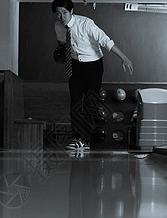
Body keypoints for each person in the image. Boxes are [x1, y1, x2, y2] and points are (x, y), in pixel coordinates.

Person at [52, 0, 133, 152]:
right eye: (58, 13)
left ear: (71, 11)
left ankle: (86, 140)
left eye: (64, 13)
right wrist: (60, 52)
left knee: (90, 102)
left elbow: (105, 41)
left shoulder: (86, 24)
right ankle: (77, 139)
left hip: (93, 65)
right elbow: (63, 44)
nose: (62, 17)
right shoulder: (58, 26)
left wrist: (124, 58)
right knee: (75, 103)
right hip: (74, 65)